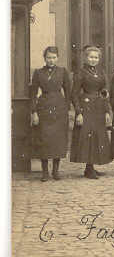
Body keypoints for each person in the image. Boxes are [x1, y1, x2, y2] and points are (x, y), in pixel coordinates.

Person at [70, 46, 112, 179]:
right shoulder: (81, 73)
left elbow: (104, 92)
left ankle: (92, 166)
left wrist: (106, 111)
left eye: (96, 57)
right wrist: (79, 112)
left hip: (99, 106)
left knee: (96, 136)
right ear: (86, 58)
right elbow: (74, 94)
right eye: (91, 57)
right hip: (86, 106)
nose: (93, 59)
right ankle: (88, 168)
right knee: (88, 136)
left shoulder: (101, 72)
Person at [30, 46, 70, 182]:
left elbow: (68, 92)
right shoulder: (38, 73)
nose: (51, 60)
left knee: (57, 139)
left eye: (53, 57)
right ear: (44, 58)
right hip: (44, 107)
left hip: (59, 107)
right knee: (44, 139)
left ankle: (56, 171)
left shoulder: (63, 72)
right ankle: (45, 172)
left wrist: (66, 108)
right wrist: (34, 112)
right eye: (48, 58)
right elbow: (33, 94)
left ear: (57, 58)